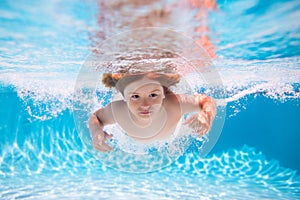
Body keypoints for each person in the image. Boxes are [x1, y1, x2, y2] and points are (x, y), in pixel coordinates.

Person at [89, 72, 216, 152]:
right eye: (135, 97)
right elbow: (96, 117)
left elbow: (207, 100)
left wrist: (206, 115)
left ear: (163, 94)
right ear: (124, 97)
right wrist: (96, 131)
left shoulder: (174, 104)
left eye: (153, 95)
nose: (145, 105)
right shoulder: (118, 110)